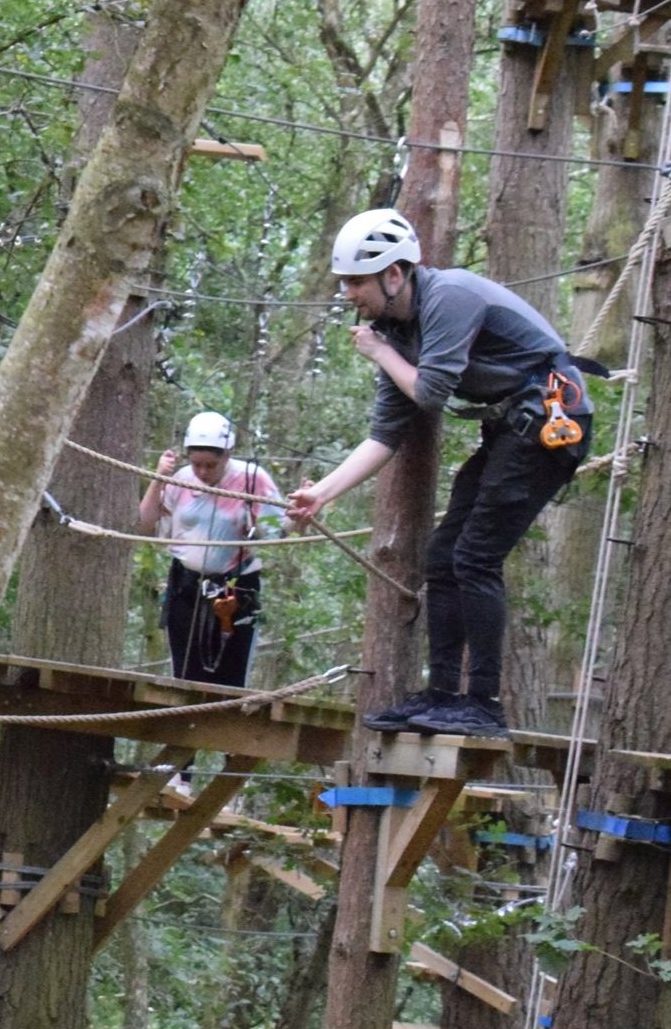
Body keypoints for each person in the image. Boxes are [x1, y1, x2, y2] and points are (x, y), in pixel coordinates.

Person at [288, 207, 594, 738]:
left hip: (550, 423)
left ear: (394, 274)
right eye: (345, 282)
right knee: (442, 557)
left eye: (357, 281)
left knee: (475, 557)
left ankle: (484, 703)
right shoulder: (393, 333)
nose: (348, 294)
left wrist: (381, 353)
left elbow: (430, 392)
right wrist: (323, 494)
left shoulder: (449, 296)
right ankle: (444, 693)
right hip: (510, 431)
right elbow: (385, 435)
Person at [139, 411, 284, 688]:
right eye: (197, 465)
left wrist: (262, 527)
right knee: (185, 674)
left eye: (211, 465)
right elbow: (145, 526)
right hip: (186, 586)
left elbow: (279, 534)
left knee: (231, 675)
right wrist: (158, 478)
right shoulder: (181, 480)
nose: (203, 472)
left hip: (237, 588)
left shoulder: (253, 480)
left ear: (227, 455)